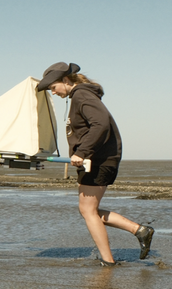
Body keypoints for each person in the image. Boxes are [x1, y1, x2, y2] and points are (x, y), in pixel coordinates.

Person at [36, 62, 153, 266]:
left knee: (88, 211)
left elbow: (101, 123)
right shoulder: (80, 96)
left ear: (65, 80)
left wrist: (81, 152)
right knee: (88, 210)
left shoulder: (82, 95)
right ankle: (139, 231)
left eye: (53, 88)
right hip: (94, 159)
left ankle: (108, 261)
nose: (52, 92)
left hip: (97, 160)